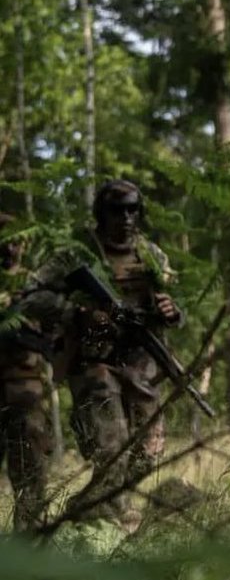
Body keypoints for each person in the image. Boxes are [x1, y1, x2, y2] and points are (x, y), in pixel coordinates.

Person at [26, 180, 183, 528]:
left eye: (132, 209)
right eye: (117, 209)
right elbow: (32, 295)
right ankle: (108, 537)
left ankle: (85, 510)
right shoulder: (77, 254)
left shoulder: (151, 255)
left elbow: (171, 303)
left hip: (140, 366)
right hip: (93, 365)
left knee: (147, 455)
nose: (126, 217)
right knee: (111, 452)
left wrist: (172, 310)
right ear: (101, 213)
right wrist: (77, 312)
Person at [0, 214, 53, 531]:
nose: (11, 249)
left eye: (16, 241)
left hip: (25, 392)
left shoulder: (34, 286)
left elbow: (55, 336)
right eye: (5, 241)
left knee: (31, 477)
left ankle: (30, 551)